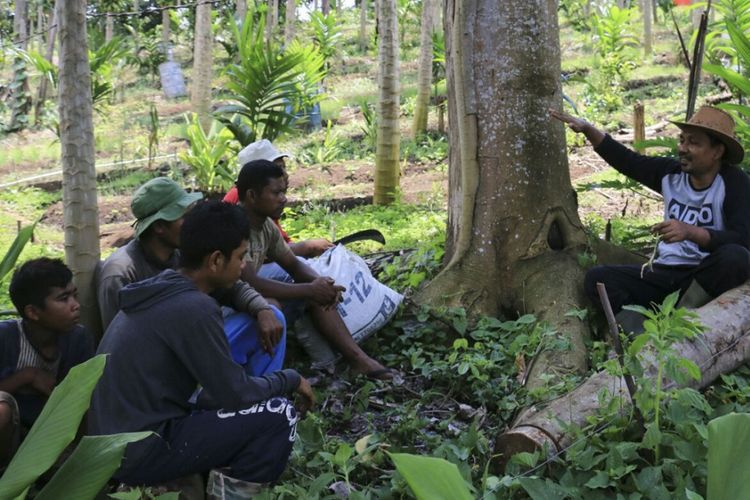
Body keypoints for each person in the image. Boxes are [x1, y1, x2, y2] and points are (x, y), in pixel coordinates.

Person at [89, 201, 315, 492]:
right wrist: (291, 379)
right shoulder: (195, 307)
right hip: (139, 450)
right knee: (279, 414)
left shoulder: (166, 286)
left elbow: (217, 391)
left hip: (116, 443)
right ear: (216, 261)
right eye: (241, 256)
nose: (244, 265)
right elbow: (236, 395)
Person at [551, 105, 750, 319]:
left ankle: (681, 317)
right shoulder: (670, 174)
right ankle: (639, 334)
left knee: (736, 257)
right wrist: (589, 130)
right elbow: (628, 161)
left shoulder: (734, 183)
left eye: (694, 142)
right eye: (682, 140)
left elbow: (742, 239)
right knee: (597, 279)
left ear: (717, 152)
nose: (682, 148)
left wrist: (691, 232)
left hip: (702, 277)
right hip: (662, 274)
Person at [97, 177, 285, 376]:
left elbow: (230, 287)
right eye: (183, 217)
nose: (190, 223)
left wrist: (262, 309)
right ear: (159, 226)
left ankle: (263, 394)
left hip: (189, 341)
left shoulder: (179, 252)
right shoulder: (120, 272)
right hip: (159, 365)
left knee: (273, 313)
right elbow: (120, 345)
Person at [235, 159, 394, 380]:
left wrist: (322, 284)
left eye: (285, 192)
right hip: (229, 306)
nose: (284, 199)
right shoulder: (237, 227)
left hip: (247, 295)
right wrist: (310, 289)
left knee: (315, 291)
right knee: (273, 305)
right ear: (252, 196)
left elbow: (292, 264)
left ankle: (353, 360)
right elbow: (252, 282)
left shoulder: (266, 225)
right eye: (276, 193)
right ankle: (264, 381)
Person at [0, 258, 95, 469]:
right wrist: (27, 376)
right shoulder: (6, 338)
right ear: (33, 312)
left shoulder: (78, 339)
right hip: (10, 441)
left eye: (74, 295)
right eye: (63, 299)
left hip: (52, 440)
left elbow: (82, 401)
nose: (75, 305)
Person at [223, 139, 334, 258]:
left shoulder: (268, 211)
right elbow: (262, 255)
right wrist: (307, 247)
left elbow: (280, 246)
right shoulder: (241, 198)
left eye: (283, 168)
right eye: (277, 169)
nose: (285, 175)